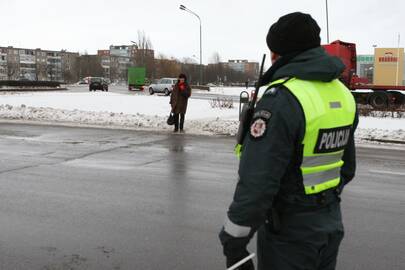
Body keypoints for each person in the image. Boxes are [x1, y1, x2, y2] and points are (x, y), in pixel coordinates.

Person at [219, 12, 358, 270]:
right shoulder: (343, 93)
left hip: (289, 234)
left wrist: (233, 241)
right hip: (329, 223)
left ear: (276, 54)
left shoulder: (282, 99)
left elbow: (259, 180)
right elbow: (346, 168)